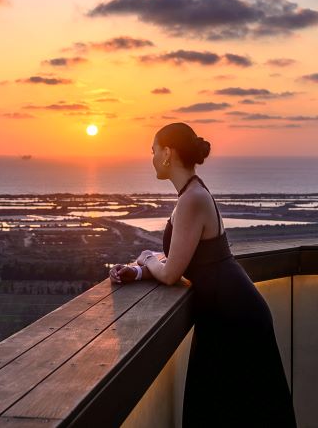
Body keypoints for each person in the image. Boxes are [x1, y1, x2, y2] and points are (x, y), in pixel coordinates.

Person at [108, 122, 297, 427]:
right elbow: (180, 260)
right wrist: (141, 271)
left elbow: (170, 273)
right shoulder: (192, 193)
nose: (151, 157)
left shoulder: (192, 200)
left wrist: (146, 258)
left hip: (235, 319)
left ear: (168, 153)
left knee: (234, 411)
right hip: (225, 314)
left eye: (153, 150)